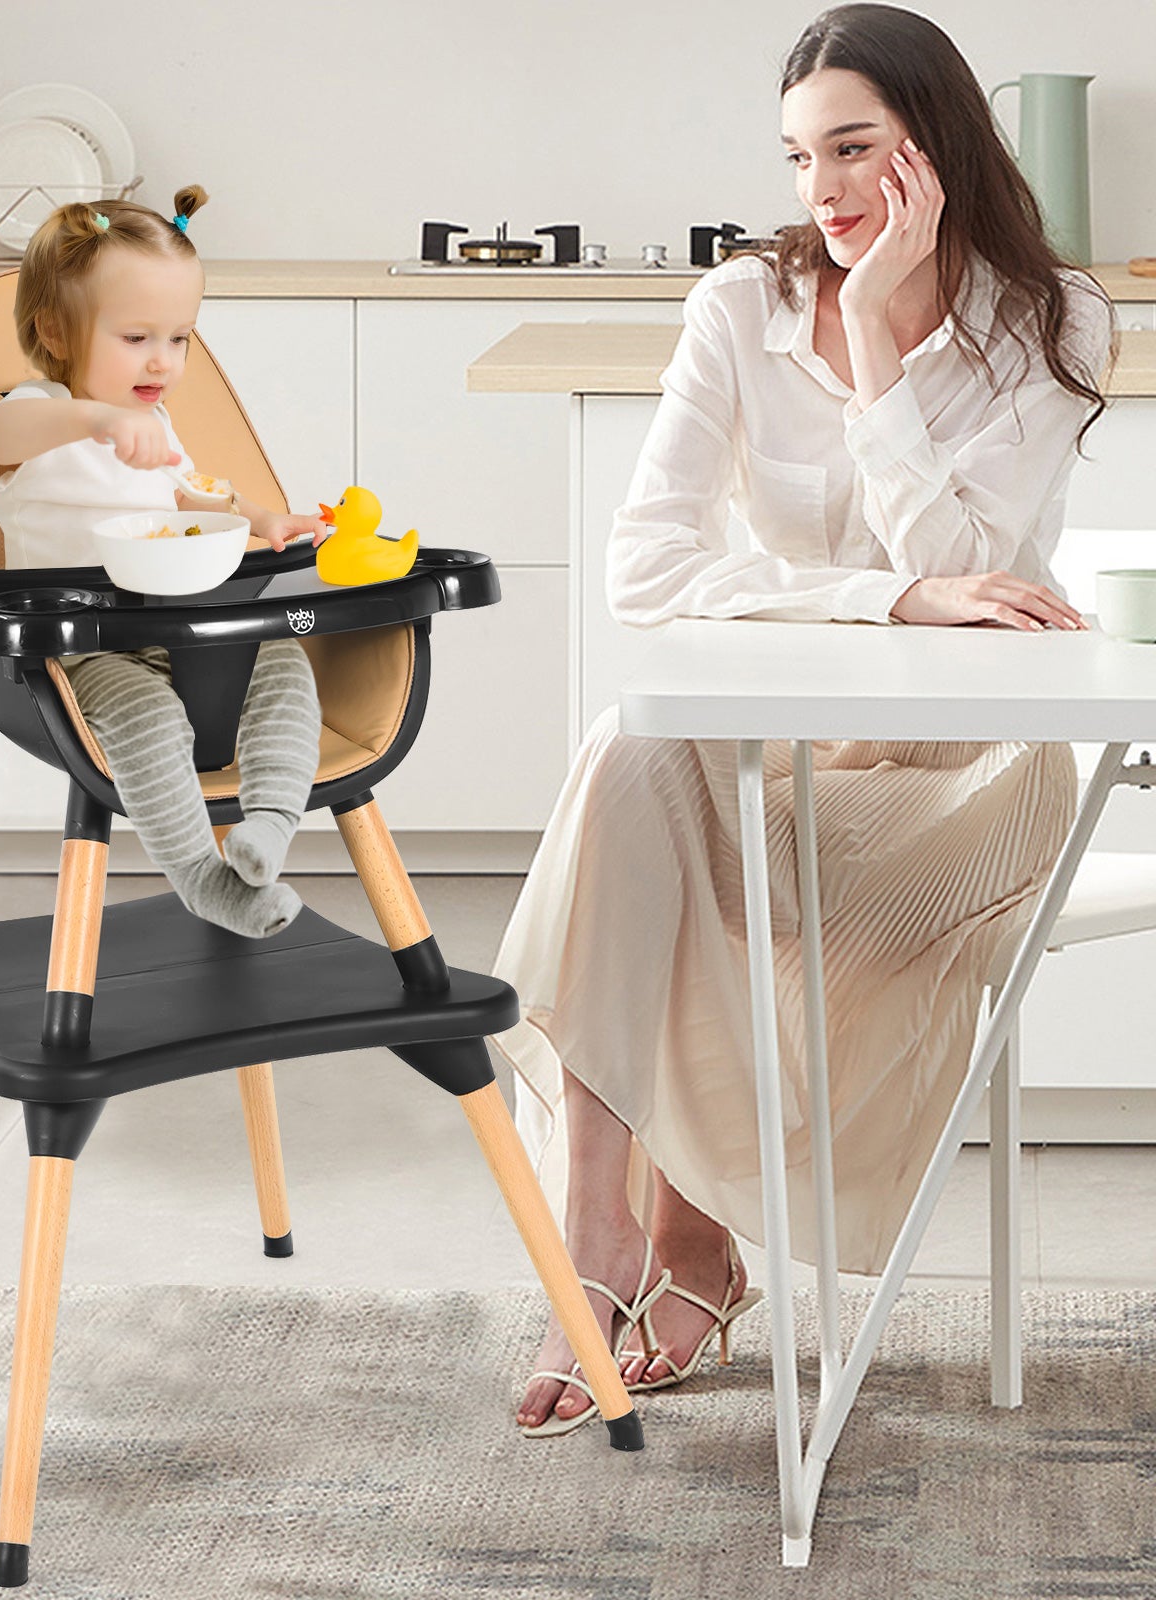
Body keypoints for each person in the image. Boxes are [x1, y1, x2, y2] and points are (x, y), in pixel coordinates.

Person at [503, 3, 1117, 1436]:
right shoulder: (739, 308)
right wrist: (887, 606)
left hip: (969, 788)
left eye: (853, 148)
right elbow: (645, 568)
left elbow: (968, 549)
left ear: (936, 142)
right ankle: (599, 1241)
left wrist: (881, 366)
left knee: (633, 831)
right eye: (797, 158)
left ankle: (691, 1241)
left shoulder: (1050, 316)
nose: (824, 191)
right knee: (635, 754)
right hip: (779, 766)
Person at [0, 187, 328, 940]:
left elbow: (196, 495)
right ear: (56, 332)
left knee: (283, 661)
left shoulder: (156, 425)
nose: (163, 362)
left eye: (181, 339)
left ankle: (267, 823)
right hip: (84, 649)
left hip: (184, 629)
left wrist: (261, 519)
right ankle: (203, 878)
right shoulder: (34, 416)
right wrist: (97, 418)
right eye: (137, 338)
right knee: (147, 717)